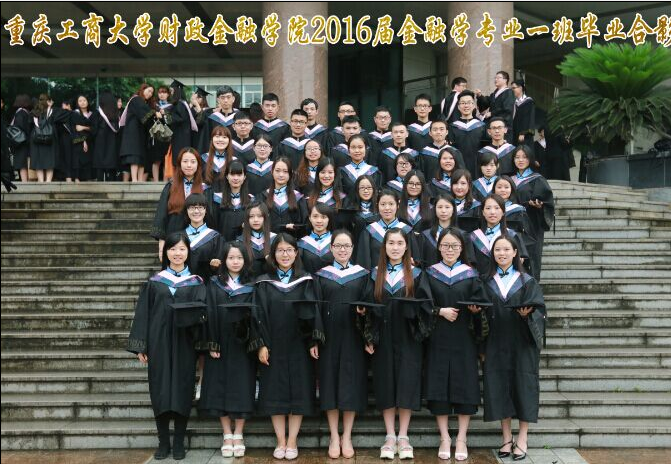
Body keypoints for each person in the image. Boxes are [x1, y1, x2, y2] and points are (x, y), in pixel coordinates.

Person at [127, 231, 207, 461]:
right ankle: (163, 442)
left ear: (188, 252)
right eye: (172, 249)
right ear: (166, 252)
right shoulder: (155, 282)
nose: (177, 253)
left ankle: (179, 442)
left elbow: (202, 316)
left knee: (182, 389)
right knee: (160, 390)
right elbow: (143, 314)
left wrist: (201, 344)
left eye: (182, 249)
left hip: (185, 343)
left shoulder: (197, 282)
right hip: (158, 343)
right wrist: (141, 345)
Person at [249, 233, 324, 461]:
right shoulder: (263, 282)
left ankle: (292, 441)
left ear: (296, 253)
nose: (285, 254)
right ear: (273, 255)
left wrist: (313, 341)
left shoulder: (306, 280)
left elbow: (314, 312)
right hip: (273, 344)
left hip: (299, 344)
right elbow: (257, 315)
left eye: (289, 250)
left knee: (299, 391)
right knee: (275, 391)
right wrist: (261, 345)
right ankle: (280, 440)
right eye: (280, 250)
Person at [422, 227, 489, 461]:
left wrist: (476, 311)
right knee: (438, 386)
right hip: (438, 337)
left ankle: (461, 438)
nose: (450, 250)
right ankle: (444, 437)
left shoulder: (471, 275)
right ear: (439, 247)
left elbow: (482, 305)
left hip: (464, 338)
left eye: (454, 246)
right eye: (445, 245)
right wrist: (439, 311)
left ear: (462, 249)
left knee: (465, 386)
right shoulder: (429, 274)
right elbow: (422, 304)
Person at [366, 228, 432, 460]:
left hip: (408, 338)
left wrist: (415, 321)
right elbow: (367, 307)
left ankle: (403, 436)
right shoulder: (374, 274)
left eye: (399, 243)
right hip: (382, 337)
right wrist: (369, 336)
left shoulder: (417, 274)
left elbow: (426, 306)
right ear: (384, 247)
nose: (395, 247)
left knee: (407, 383)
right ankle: (390, 436)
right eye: (391, 243)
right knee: (385, 383)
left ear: (406, 247)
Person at [482, 235, 546, 461]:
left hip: (522, 343)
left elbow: (540, 312)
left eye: (506, 249)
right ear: (492, 254)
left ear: (515, 253)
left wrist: (528, 316)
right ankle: (506, 438)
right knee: (500, 387)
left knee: (523, 387)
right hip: (496, 342)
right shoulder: (486, 281)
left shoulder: (527, 281)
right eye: (497, 250)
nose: (502, 253)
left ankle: (523, 438)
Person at [314, 229, 372, 459]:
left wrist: (366, 329)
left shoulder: (363, 275)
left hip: (353, 338)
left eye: (346, 246)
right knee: (329, 383)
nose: (342, 250)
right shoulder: (321, 275)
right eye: (338, 246)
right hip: (328, 338)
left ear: (353, 248)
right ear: (331, 248)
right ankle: (333, 435)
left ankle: (346, 435)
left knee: (351, 384)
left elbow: (369, 305)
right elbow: (316, 308)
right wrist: (316, 338)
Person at [199, 242, 256, 458]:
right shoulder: (214, 283)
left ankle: (238, 433)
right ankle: (227, 434)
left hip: (243, 344)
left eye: (239, 258)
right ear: (224, 260)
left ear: (245, 260)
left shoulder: (252, 284)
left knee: (242, 386)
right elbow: (209, 313)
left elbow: (256, 315)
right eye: (231, 258)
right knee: (219, 386)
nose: (235, 262)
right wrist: (212, 342)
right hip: (220, 343)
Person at [151, 147, 206, 260]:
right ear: (179, 164)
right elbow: (161, 215)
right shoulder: (171, 186)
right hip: (174, 233)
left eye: (193, 162)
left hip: (198, 235)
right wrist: (161, 247)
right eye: (185, 161)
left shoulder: (205, 188)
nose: (189, 165)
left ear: (198, 165)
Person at [511, 145, 555, 281]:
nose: (520, 160)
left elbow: (547, 202)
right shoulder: (508, 180)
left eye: (524, 157)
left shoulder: (537, 179)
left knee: (532, 258)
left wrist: (540, 206)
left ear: (530, 159)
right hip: (512, 224)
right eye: (517, 157)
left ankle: (532, 288)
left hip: (532, 225)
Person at [470, 194, 530, 276]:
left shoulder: (512, 236)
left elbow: (521, 264)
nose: (492, 212)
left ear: (503, 212)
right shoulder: (473, 237)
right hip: (479, 281)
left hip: (505, 281)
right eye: (488, 208)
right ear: (483, 212)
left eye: (497, 208)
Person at [355, 189, 416, 270]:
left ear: (397, 205)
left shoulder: (406, 230)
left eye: (391, 204)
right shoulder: (369, 231)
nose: (387, 208)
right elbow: (364, 262)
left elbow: (415, 260)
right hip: (376, 276)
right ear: (377, 205)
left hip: (401, 276)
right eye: (383, 204)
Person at [120, 83, 160, 182]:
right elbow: (145, 113)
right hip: (133, 133)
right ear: (143, 89)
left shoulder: (144, 103)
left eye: (152, 93)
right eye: (149, 91)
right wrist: (155, 113)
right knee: (135, 156)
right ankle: (134, 179)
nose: (150, 94)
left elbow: (147, 118)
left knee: (142, 157)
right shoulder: (136, 99)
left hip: (141, 133)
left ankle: (140, 180)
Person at [259, 156, 308, 235]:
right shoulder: (263, 197)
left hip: (291, 241)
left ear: (290, 174)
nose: (281, 175)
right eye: (277, 171)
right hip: (268, 240)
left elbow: (305, 225)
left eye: (285, 171)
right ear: (272, 171)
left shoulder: (298, 198)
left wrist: (295, 228)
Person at [182, 193, 222, 281]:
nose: (196, 211)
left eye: (200, 207)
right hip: (183, 284)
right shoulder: (179, 236)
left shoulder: (215, 237)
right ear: (186, 210)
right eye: (192, 207)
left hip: (206, 284)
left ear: (206, 210)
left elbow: (219, 268)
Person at [212, 159, 254, 242]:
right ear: (227, 176)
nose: (236, 178)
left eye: (239, 174)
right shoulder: (217, 199)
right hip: (222, 244)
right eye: (232, 174)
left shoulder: (251, 201)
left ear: (244, 177)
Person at [449, 91, 486, 175]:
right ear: (458, 107)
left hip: (478, 168)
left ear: (474, 105)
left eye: (469, 103)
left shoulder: (482, 126)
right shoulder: (452, 127)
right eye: (463, 103)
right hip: (458, 169)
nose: (466, 106)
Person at [165, 80, 199, 168]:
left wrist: (166, 115)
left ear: (177, 91)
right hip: (182, 135)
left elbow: (180, 118)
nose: (171, 93)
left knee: (179, 158)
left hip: (180, 137)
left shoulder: (180, 104)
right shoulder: (182, 103)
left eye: (172, 91)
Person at [196, 85, 238, 155]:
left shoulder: (239, 118)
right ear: (218, 100)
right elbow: (205, 141)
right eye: (222, 97)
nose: (225, 100)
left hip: (235, 155)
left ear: (233, 99)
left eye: (228, 97)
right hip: (215, 156)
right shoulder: (212, 118)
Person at [239, 201, 276, 278]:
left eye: (259, 216)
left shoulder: (275, 239)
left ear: (266, 217)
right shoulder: (239, 242)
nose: (255, 220)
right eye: (251, 216)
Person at [476, 70, 515, 142]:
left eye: (498, 78)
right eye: (495, 78)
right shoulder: (494, 93)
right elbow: (486, 103)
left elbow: (507, 108)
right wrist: (480, 96)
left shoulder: (509, 92)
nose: (496, 79)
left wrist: (492, 113)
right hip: (493, 125)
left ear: (505, 80)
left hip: (503, 126)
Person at [298, 203, 335, 274]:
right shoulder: (302, 244)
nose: (319, 221)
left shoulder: (336, 242)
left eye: (323, 217)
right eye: (315, 216)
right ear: (310, 218)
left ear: (329, 219)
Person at [92, 91, 120, 182]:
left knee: (100, 166)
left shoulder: (98, 113)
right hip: (112, 143)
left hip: (100, 142)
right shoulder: (116, 115)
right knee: (111, 167)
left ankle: (100, 182)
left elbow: (94, 130)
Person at [343, 174, 380, 240]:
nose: (366, 191)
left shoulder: (380, 209)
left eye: (369, 187)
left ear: (374, 189)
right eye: (362, 188)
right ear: (357, 190)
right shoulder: (350, 210)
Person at [70, 94, 96, 182]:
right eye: (80, 101)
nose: (82, 102)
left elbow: (94, 128)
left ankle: (88, 177)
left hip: (90, 140)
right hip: (78, 140)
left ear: (88, 102)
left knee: (89, 158)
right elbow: (76, 129)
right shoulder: (75, 114)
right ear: (77, 103)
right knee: (78, 157)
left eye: (84, 100)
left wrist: (84, 127)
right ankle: (77, 177)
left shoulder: (92, 114)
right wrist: (83, 140)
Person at [202, 125, 236, 190]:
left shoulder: (234, 161)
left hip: (227, 195)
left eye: (224, 137)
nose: (220, 140)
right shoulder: (203, 159)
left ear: (229, 140)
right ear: (212, 139)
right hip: (206, 195)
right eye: (217, 136)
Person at [9, 94, 32, 182]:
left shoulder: (19, 113)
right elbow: (22, 128)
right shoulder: (22, 113)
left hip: (20, 142)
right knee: (23, 164)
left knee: (23, 164)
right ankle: (25, 182)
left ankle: (25, 181)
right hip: (23, 142)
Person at [511, 80, 536, 148]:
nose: (512, 90)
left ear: (520, 88)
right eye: (511, 88)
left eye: (514, 88)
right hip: (514, 134)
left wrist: (523, 133)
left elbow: (529, 118)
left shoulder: (528, 102)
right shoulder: (514, 103)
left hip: (524, 136)